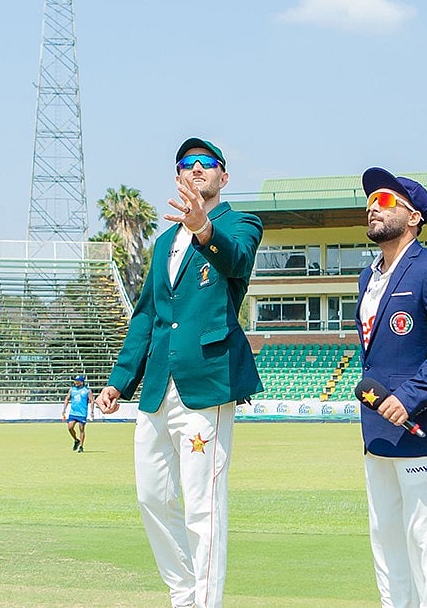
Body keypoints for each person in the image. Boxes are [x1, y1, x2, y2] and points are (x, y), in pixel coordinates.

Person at [95, 137, 263, 608]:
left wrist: (204, 227)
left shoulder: (240, 224)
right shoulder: (165, 240)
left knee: (202, 507)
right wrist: (117, 381)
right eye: (186, 165)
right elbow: (147, 315)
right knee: (152, 498)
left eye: (207, 164)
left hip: (205, 384)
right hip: (155, 389)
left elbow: (238, 259)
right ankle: (183, 594)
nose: (196, 170)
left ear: (223, 177)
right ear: (177, 177)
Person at [355, 167, 427, 607]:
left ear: (413, 217)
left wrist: (413, 395)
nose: (372, 208)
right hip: (377, 429)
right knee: (387, 543)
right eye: (369, 202)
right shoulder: (367, 278)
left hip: (420, 428)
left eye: (385, 202)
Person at [61, 374, 94, 452]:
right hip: (73, 412)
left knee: (81, 429)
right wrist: (64, 409)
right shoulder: (72, 389)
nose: (75, 382)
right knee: (70, 427)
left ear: (81, 382)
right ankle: (76, 440)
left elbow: (92, 400)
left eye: (77, 381)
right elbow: (67, 398)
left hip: (82, 413)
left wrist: (92, 411)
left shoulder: (87, 390)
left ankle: (81, 446)